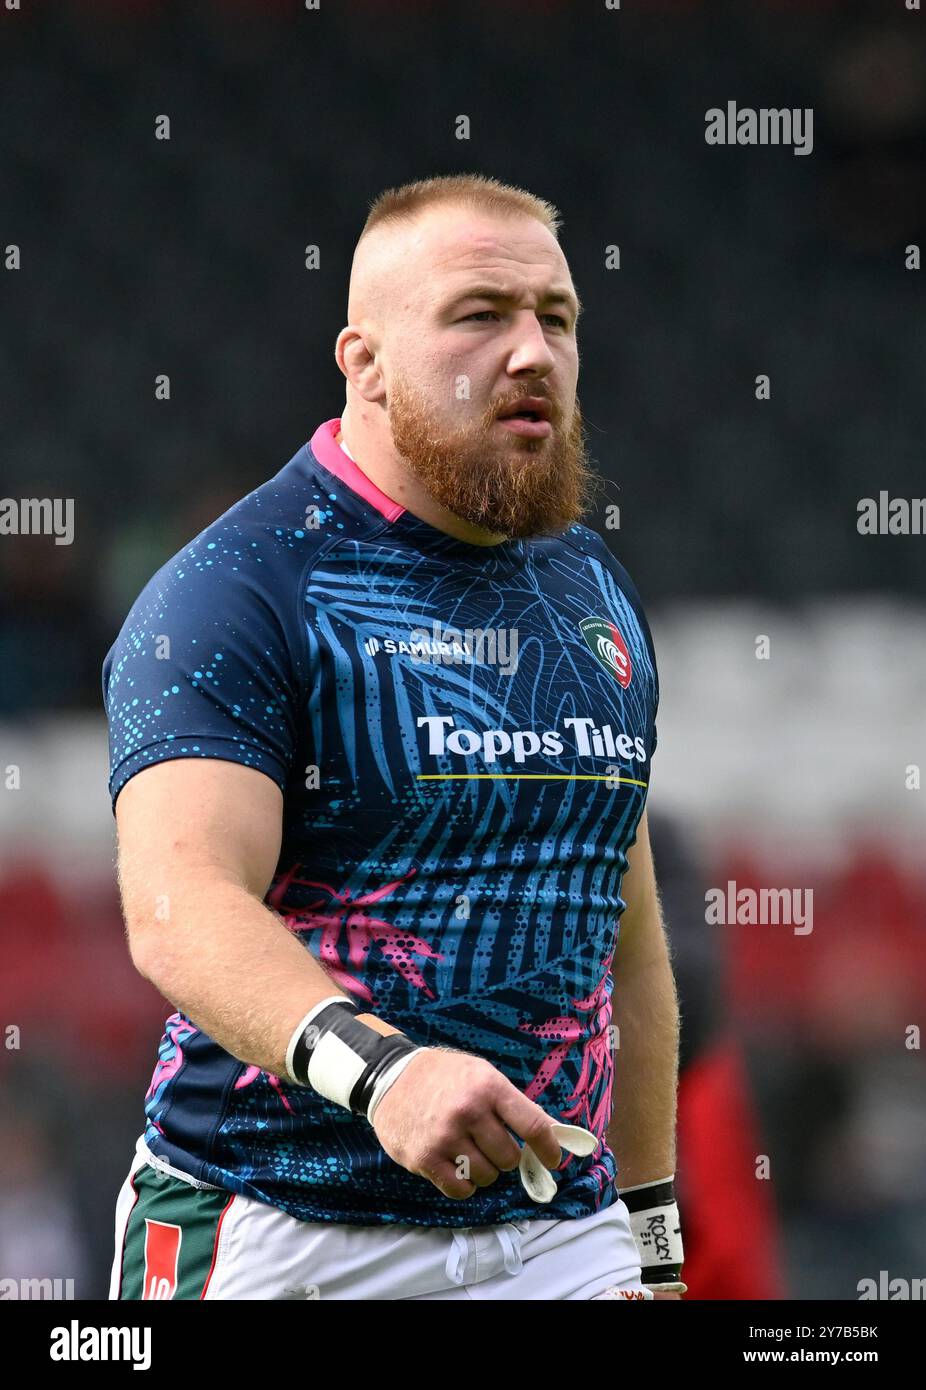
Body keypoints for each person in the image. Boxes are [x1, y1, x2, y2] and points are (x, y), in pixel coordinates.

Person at [103, 173, 684, 1301]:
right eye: (480, 314)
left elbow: (629, 942)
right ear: (362, 360)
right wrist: (384, 1076)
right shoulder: (236, 588)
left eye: (555, 318)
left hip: (560, 1235)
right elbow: (179, 907)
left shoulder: (591, 590)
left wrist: (653, 1247)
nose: (533, 352)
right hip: (277, 1225)